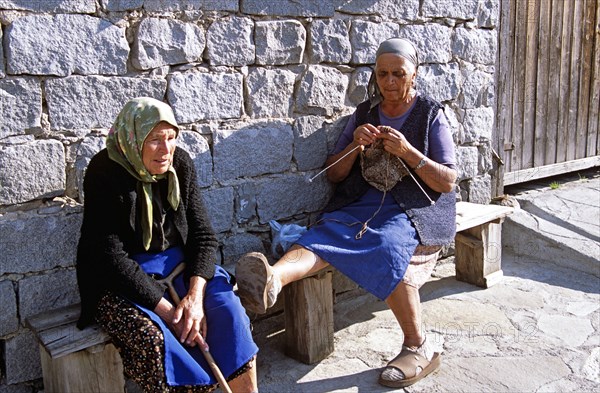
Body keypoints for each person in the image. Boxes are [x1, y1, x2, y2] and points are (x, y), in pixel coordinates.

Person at [235, 38, 457, 389]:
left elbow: (446, 181)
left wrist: (408, 151)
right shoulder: (365, 113)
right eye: (383, 74)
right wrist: (354, 144)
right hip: (364, 202)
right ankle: (272, 280)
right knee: (325, 233)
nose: (389, 82)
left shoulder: (430, 113)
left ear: (414, 74)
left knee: (387, 248)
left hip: (413, 206)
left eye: (398, 74)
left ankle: (418, 346)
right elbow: (335, 174)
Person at [76, 97, 259, 392]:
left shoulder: (180, 163)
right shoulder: (104, 171)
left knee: (228, 311)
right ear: (133, 138)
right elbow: (109, 257)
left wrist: (195, 298)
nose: (166, 150)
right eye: (154, 140)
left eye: (171, 138)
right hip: (121, 279)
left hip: (181, 267)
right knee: (155, 339)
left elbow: (203, 235)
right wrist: (170, 313)